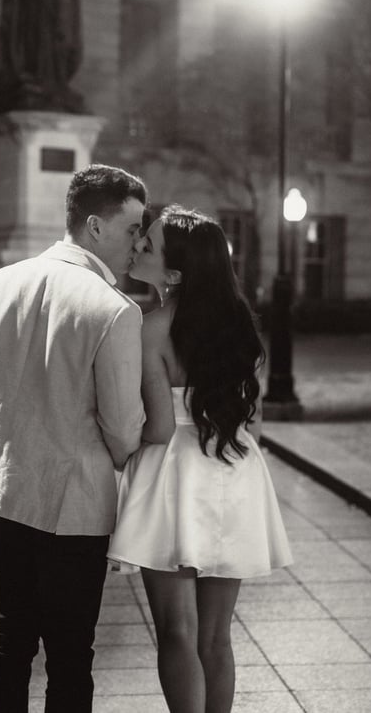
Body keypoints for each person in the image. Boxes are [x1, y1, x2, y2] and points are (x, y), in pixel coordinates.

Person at [0, 164, 148, 713]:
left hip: (5, 488)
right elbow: (121, 426)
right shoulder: (114, 309)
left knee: (10, 636)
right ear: (95, 226)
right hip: (77, 502)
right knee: (71, 652)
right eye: (133, 227)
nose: (139, 241)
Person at [108, 205, 293, 713]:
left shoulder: (151, 327)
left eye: (148, 244)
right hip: (232, 467)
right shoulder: (239, 326)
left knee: (177, 632)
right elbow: (250, 421)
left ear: (174, 273)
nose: (137, 247)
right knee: (216, 637)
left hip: (174, 475)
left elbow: (162, 427)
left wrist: (118, 441)